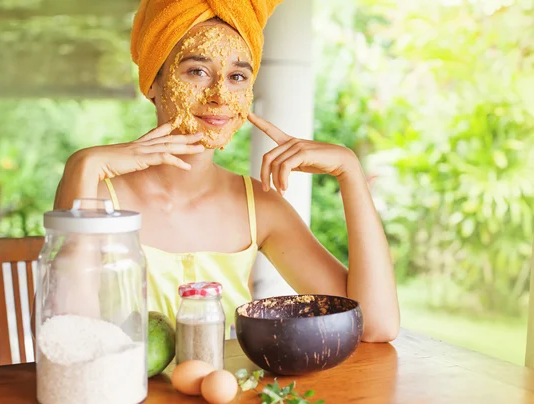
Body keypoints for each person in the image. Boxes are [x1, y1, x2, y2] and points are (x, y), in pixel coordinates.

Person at [54, 0, 399, 342]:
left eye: (237, 76)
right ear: (153, 83)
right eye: (197, 71)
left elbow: (374, 325)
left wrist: (349, 171)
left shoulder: (258, 205)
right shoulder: (98, 197)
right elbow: (65, 335)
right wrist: (83, 166)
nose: (219, 96)